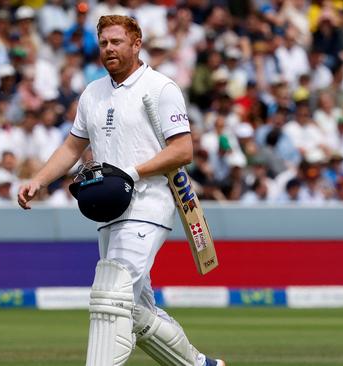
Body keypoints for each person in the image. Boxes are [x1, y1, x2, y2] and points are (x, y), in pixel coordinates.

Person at [17, 15, 224, 366]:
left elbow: (182, 151)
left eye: (117, 41)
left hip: (149, 203)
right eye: (103, 43)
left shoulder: (161, 88)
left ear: (136, 43)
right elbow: (71, 147)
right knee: (137, 311)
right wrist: (40, 179)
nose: (109, 49)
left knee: (110, 295)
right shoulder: (93, 92)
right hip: (109, 209)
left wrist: (130, 172)